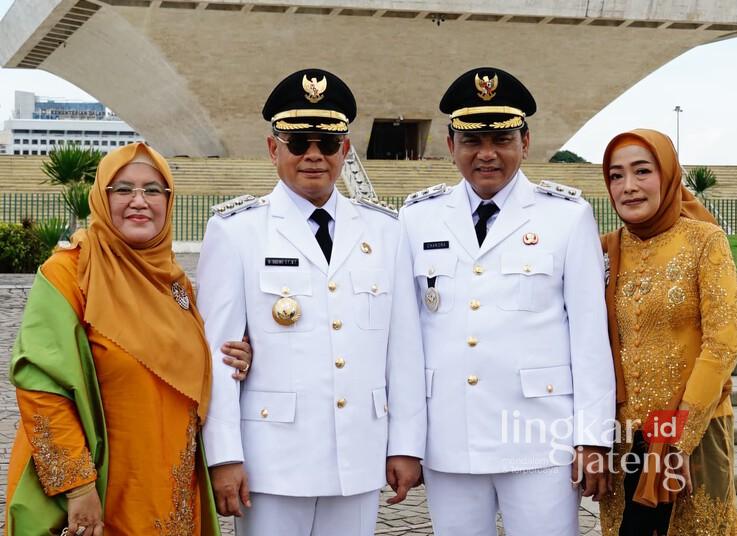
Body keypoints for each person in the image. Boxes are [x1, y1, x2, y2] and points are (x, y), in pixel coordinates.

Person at [196, 68, 426, 536]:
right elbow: (217, 355)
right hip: (272, 459)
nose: (313, 156)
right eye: (299, 142)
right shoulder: (237, 231)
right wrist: (224, 455)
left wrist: (405, 444)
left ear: (346, 149)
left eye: (327, 143)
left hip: (358, 453)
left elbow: (403, 349)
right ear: (272, 148)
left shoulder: (385, 230)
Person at [398, 67, 616, 536]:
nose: (487, 153)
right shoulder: (417, 219)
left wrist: (593, 438)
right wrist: (406, 440)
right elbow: (401, 334)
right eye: (473, 140)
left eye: (501, 138)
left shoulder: (566, 217)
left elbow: (589, 337)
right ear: (451, 144)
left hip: (541, 439)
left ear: (526, 142)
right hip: (450, 436)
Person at [5, 142, 252, 536]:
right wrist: (77, 486)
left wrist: (233, 356)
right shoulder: (69, 274)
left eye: (153, 190)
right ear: (102, 198)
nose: (139, 201)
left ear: (167, 201)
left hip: (168, 485)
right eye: (123, 189)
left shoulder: (175, 284)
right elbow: (41, 386)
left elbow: (184, 361)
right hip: (101, 487)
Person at [598, 128, 737, 535]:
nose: (628, 187)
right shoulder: (605, 250)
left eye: (642, 171)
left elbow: (723, 344)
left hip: (692, 435)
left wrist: (675, 435)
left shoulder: (704, 241)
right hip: (624, 440)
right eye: (615, 175)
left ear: (667, 174)